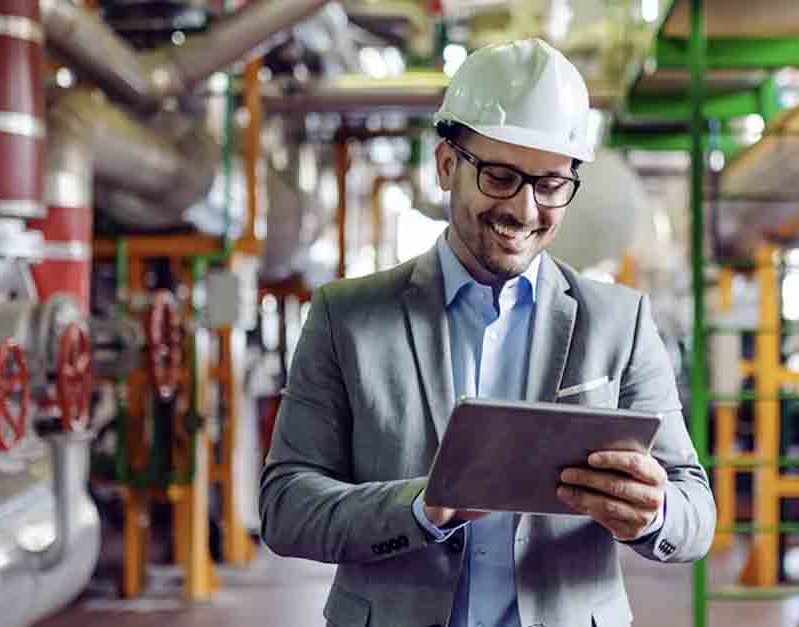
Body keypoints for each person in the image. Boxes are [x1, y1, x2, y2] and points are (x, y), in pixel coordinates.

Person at [259, 38, 715, 627]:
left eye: (551, 184)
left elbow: (694, 510)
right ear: (447, 165)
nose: (525, 211)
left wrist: (654, 513)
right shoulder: (347, 317)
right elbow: (285, 507)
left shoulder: (618, 323)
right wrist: (420, 509)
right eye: (500, 176)